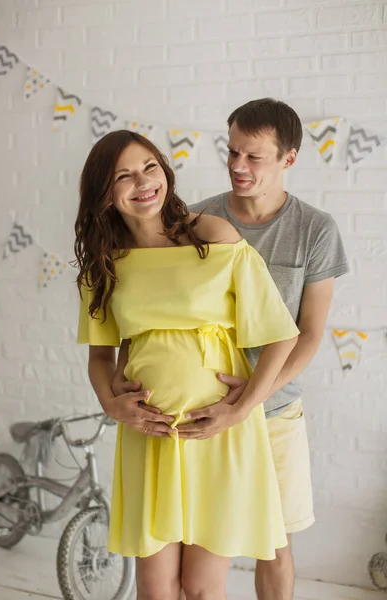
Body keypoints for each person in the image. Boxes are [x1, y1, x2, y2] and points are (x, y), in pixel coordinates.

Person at [75, 129, 300, 600]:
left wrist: (240, 411)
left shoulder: (213, 236)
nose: (143, 182)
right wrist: (112, 406)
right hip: (148, 433)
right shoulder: (105, 263)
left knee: (201, 588)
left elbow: (281, 334)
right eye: (124, 176)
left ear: (165, 171)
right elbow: (100, 355)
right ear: (105, 194)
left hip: (215, 432)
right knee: (155, 591)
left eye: (150, 167)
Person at [184, 98, 349, 600]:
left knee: (273, 543)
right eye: (232, 151)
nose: (237, 166)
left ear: (289, 159)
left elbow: (310, 333)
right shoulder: (194, 220)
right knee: (199, 540)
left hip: (275, 412)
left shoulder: (315, 230)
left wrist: (250, 399)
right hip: (203, 408)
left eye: (253, 156)